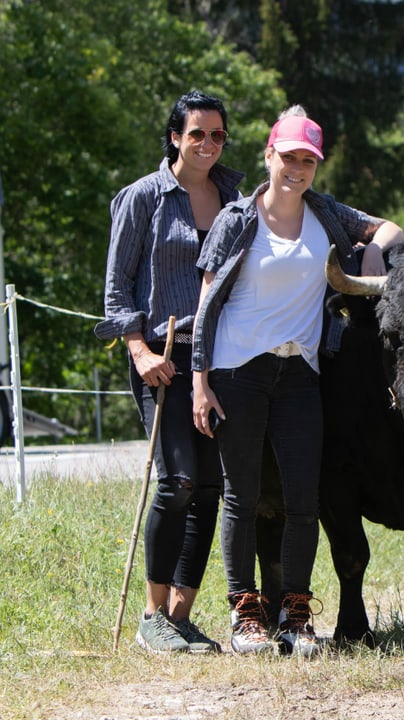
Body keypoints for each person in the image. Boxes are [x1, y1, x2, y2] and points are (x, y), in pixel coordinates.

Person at [191, 107, 404, 656]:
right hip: (238, 371)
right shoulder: (237, 218)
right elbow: (206, 303)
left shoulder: (325, 213)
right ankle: (246, 615)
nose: (298, 168)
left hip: (300, 374)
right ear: (269, 156)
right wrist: (200, 379)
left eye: (307, 160)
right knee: (239, 495)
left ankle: (294, 614)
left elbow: (389, 226)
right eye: (289, 157)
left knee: (303, 497)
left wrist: (375, 249)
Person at [95, 90, 243, 654]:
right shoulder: (142, 199)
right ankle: (151, 615)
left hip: (222, 357)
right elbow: (116, 286)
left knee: (211, 487)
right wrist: (139, 351)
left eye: (218, 135)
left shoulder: (236, 196)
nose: (208, 143)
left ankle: (180, 617)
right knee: (178, 481)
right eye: (197, 133)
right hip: (162, 354)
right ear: (175, 137)